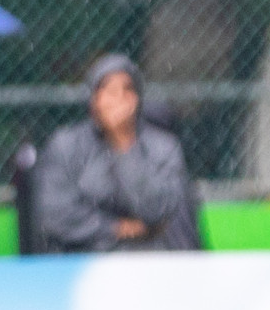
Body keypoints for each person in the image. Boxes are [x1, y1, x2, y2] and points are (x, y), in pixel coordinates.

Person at [34, 52, 198, 252]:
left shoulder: (163, 146)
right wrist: (116, 229)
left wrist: (124, 143)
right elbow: (55, 213)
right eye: (110, 91)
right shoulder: (67, 144)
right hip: (84, 257)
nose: (119, 99)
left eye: (127, 90)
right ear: (94, 99)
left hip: (149, 258)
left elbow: (159, 211)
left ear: (138, 98)